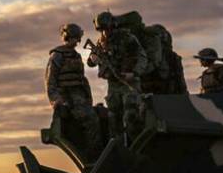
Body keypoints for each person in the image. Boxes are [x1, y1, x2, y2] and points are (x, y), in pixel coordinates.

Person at [87, 11, 148, 142]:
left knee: (131, 117)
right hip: (113, 85)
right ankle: (118, 149)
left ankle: (137, 147)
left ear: (113, 26)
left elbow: (142, 57)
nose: (104, 33)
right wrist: (93, 59)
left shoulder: (127, 38)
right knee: (113, 119)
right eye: (101, 30)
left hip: (129, 83)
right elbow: (91, 62)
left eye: (106, 29)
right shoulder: (101, 42)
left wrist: (134, 73)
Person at [45, 23, 102, 161]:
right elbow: (50, 80)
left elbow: (81, 78)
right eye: (76, 38)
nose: (78, 41)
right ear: (68, 37)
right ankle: (93, 156)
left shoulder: (75, 55)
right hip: (68, 98)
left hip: (80, 97)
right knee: (91, 121)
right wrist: (56, 100)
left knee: (97, 115)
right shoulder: (57, 55)